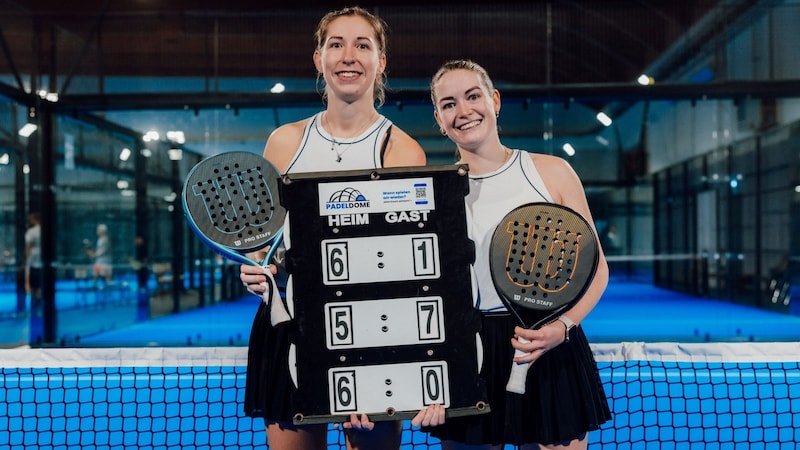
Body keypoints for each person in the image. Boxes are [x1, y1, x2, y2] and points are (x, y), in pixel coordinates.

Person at [238, 6, 436, 450]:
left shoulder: (403, 151)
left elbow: (403, 264)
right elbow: (264, 238)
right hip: (289, 323)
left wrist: (373, 349)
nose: (349, 56)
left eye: (362, 45)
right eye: (336, 44)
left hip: (374, 330)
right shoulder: (284, 142)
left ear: (380, 61)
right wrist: (256, 266)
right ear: (319, 59)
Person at [418, 59, 612, 449]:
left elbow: (596, 269)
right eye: (449, 103)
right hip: (467, 354)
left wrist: (562, 328)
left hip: (549, 344)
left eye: (473, 96)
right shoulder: (432, 193)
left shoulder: (553, 172)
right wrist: (431, 374)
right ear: (439, 118)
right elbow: (426, 293)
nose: (464, 111)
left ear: (494, 100)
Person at [24, 212, 43, 311]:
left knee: (33, 285)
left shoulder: (31, 232)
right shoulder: (45, 231)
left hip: (33, 261)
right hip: (42, 261)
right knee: (39, 285)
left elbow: (28, 246)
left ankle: (34, 303)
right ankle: (39, 303)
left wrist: (25, 260)